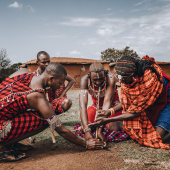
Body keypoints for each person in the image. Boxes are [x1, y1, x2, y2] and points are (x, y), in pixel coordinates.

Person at [0, 63, 104, 161]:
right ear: (50, 79)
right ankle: (3, 147)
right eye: (60, 83)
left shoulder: (24, 72)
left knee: (41, 114)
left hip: (4, 117)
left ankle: (12, 143)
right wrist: (85, 144)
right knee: (47, 120)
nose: (60, 86)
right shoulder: (37, 96)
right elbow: (60, 129)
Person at [88, 55, 170, 149]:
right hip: (150, 101)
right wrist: (109, 111)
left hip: (166, 99)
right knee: (143, 132)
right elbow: (128, 102)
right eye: (119, 77)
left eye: (123, 78)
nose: (120, 80)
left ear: (133, 76)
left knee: (157, 139)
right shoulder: (126, 78)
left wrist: (107, 119)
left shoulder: (148, 81)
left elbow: (135, 112)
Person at [79, 62, 125, 147]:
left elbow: (107, 102)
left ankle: (104, 127)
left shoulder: (111, 77)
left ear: (105, 74)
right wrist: (87, 131)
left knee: (114, 127)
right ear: (89, 76)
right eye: (95, 80)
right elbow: (82, 106)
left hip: (112, 108)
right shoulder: (84, 80)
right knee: (86, 126)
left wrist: (100, 130)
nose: (98, 82)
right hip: (95, 108)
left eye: (101, 79)